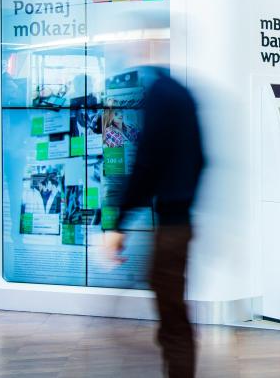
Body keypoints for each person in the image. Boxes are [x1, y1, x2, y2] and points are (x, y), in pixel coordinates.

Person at [105, 66, 206, 378]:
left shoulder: (162, 93)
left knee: (172, 316)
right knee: (170, 308)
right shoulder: (179, 92)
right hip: (179, 220)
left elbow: (147, 163)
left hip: (172, 224)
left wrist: (120, 222)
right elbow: (199, 159)